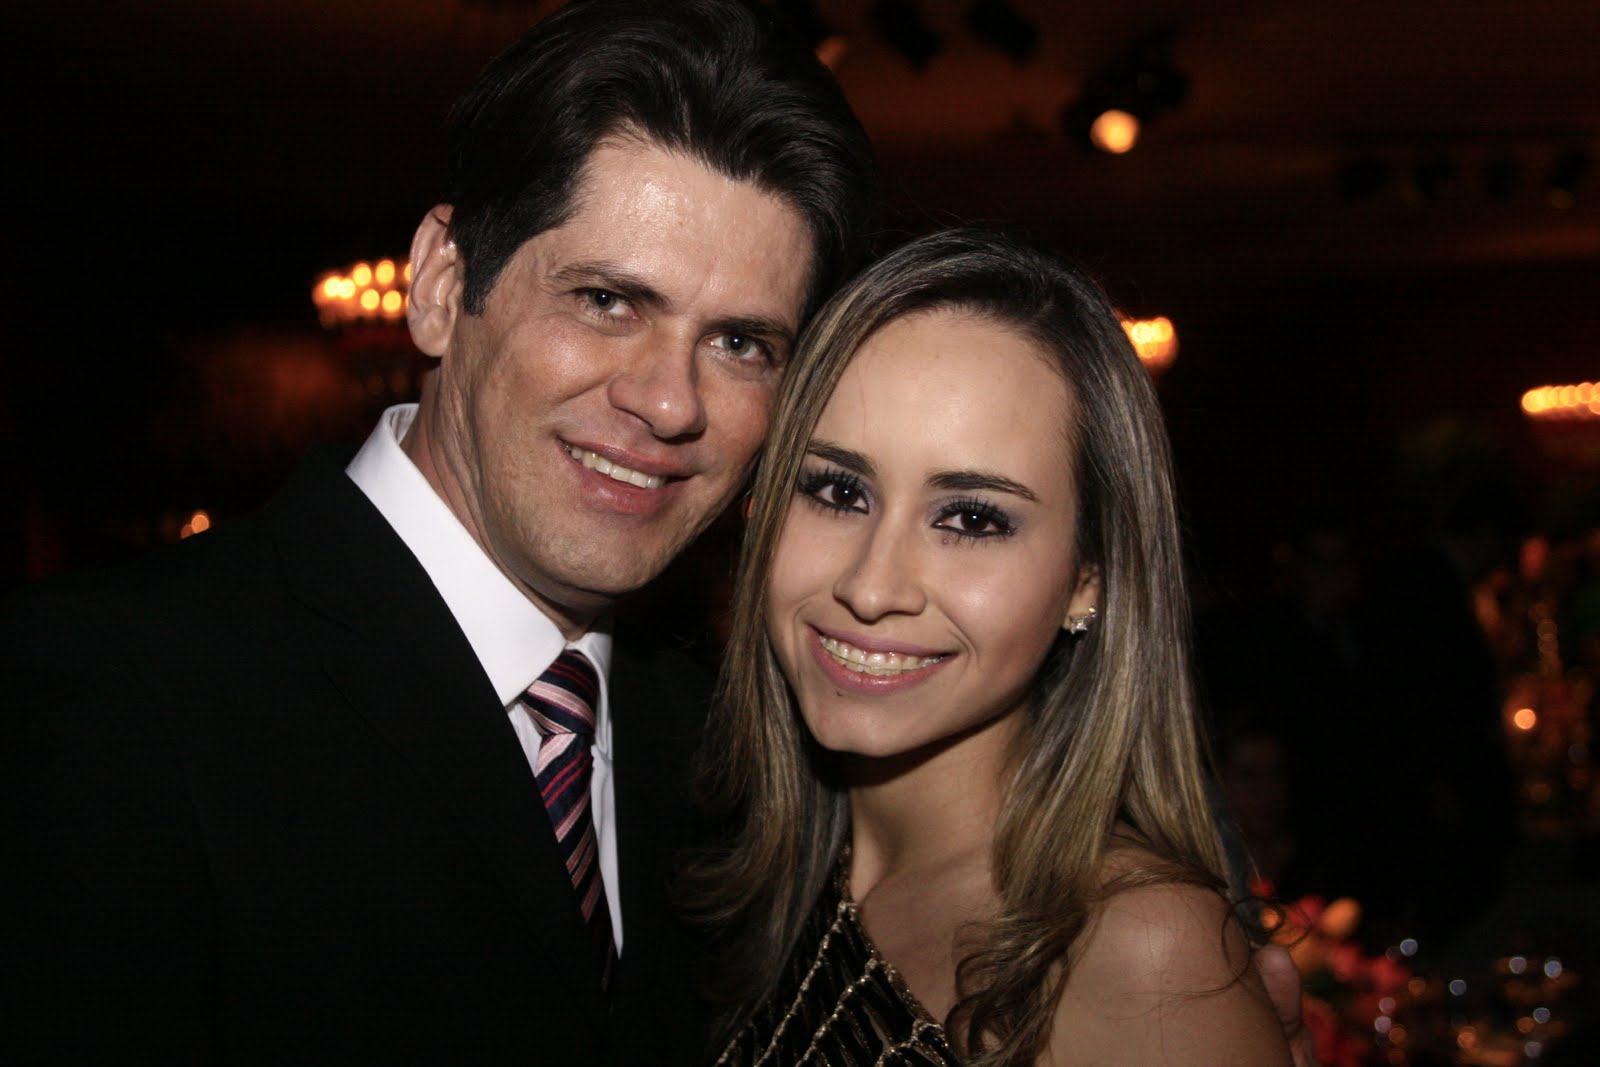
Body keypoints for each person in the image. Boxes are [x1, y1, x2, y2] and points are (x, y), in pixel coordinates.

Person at [0, 1, 876, 1062]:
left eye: (740, 344)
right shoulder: (118, 686)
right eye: (607, 301)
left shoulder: (722, 738)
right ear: (441, 283)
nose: (669, 401)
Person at [691, 229, 1295, 1065]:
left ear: (1090, 576)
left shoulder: (1137, 947)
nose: (872, 584)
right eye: (838, 489)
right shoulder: (730, 858)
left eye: (971, 518)